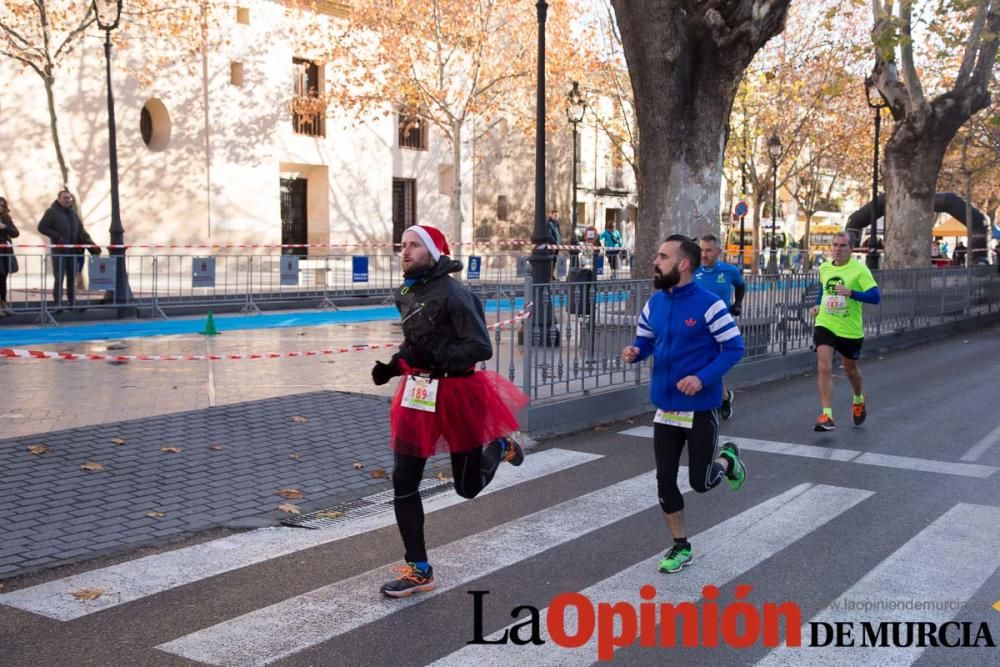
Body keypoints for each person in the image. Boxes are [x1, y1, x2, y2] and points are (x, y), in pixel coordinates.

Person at [372, 224, 529, 598]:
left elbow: (480, 347)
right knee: (403, 481)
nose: (405, 252)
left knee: (467, 487)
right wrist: (395, 365)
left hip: (458, 393)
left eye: (414, 246)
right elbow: (416, 343)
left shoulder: (457, 294)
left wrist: (438, 356)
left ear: (433, 252)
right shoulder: (407, 292)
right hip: (418, 394)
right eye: (403, 246)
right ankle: (418, 568)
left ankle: (500, 448)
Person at [621, 234, 747, 574]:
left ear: (683, 264)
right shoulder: (655, 303)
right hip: (666, 407)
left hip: (700, 406)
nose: (655, 262)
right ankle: (681, 545)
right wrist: (636, 352)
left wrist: (702, 378)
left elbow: (735, 348)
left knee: (701, 483)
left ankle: (728, 459)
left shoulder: (709, 305)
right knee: (664, 479)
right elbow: (646, 340)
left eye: (662, 257)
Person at [809, 231, 880, 431]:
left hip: (850, 329)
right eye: (835, 245)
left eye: (843, 246)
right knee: (824, 366)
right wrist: (817, 306)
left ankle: (858, 399)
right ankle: (827, 415)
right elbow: (824, 291)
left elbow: (875, 296)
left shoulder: (860, 271)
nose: (838, 249)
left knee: (850, 370)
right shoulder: (824, 268)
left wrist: (852, 293)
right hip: (826, 323)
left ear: (851, 249)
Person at [693, 234, 746, 420]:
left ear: (718, 252)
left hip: (722, 326)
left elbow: (741, 285)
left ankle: (720, 398)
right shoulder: (693, 271)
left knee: (715, 362)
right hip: (698, 326)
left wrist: (737, 304)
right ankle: (722, 397)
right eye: (701, 250)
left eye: (708, 250)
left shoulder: (729, 271)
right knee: (706, 362)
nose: (704, 254)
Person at [37, 190, 100, 310]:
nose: (67, 200)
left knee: (71, 278)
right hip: (59, 251)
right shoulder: (52, 212)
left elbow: (81, 231)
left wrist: (91, 245)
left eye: (69, 198)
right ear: (59, 199)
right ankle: (58, 303)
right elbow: (42, 227)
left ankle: (72, 302)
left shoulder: (73, 213)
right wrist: (57, 237)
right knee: (59, 277)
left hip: (73, 251)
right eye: (65, 198)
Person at [0, 197, 20, 316]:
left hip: (5, 252)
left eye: (2, 205)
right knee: (0, 277)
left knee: (3, 278)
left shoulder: (6, 219)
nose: (0, 207)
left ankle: (4, 303)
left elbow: (16, 233)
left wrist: (5, 227)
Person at [545, 208, 561, 280]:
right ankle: (549, 275)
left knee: (554, 260)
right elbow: (549, 234)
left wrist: (559, 242)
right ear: (551, 215)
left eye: (557, 216)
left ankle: (552, 274)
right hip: (551, 245)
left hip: (557, 245)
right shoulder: (548, 223)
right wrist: (555, 242)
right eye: (555, 215)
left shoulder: (557, 223)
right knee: (551, 260)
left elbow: (558, 233)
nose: (556, 217)